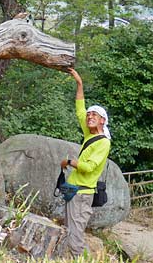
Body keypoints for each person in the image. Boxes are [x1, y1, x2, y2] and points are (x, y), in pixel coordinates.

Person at [60, 67, 111, 257]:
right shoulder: (89, 134)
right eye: (89, 115)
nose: (89, 117)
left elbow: (89, 167)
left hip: (82, 194)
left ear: (102, 121)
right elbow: (80, 109)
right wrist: (79, 83)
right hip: (73, 191)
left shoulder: (103, 143)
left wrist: (69, 162)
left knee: (75, 235)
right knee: (70, 231)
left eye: (94, 116)